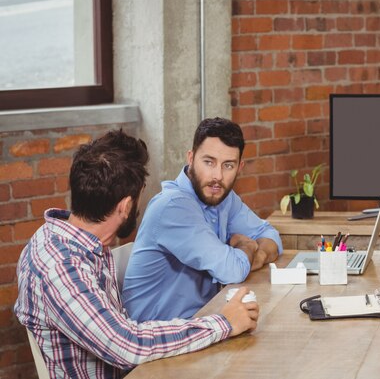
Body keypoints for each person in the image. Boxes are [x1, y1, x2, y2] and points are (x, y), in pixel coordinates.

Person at [13, 130, 259, 379]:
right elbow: (126, 344)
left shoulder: (83, 243)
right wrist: (223, 323)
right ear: (126, 206)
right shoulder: (60, 265)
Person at [123, 117, 282, 322]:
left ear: (240, 167)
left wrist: (254, 256)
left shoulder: (222, 198)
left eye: (228, 165)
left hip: (202, 326)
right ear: (191, 158)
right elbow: (232, 270)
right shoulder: (174, 206)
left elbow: (270, 236)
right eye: (209, 162)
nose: (217, 176)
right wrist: (247, 246)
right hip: (160, 340)